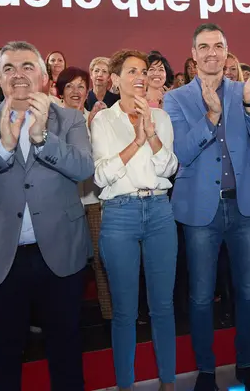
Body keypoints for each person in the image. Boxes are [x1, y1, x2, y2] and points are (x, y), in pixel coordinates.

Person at [0, 41, 93, 390]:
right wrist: (3, 147)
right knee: (3, 349)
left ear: (44, 78)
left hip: (59, 252)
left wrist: (42, 138)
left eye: (27, 66)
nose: (18, 75)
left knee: (66, 346)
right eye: (8, 68)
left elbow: (84, 168)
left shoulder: (69, 118)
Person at [165, 23, 250, 391]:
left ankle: (246, 363)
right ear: (194, 54)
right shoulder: (176, 99)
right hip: (200, 211)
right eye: (204, 46)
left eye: (219, 46)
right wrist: (211, 118)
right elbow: (180, 152)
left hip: (245, 208)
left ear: (227, 52)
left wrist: (248, 104)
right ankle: (207, 370)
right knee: (199, 294)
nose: (212, 52)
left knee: (249, 290)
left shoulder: (246, 91)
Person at [91, 50, 179, 391]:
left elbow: (168, 168)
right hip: (119, 217)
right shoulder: (102, 121)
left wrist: (152, 133)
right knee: (125, 312)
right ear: (115, 80)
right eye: (131, 71)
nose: (140, 77)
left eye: (143, 71)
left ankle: (168, 383)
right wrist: (136, 141)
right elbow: (102, 176)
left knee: (163, 307)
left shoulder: (161, 117)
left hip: (159, 211)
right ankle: (125, 385)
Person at [54, 66, 113, 323]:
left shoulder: (98, 118)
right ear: (60, 91)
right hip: (64, 204)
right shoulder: (51, 122)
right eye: (70, 86)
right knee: (68, 263)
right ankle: (66, 317)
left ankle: (109, 315)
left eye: (81, 86)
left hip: (94, 201)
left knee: (102, 262)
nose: (76, 92)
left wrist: (89, 126)